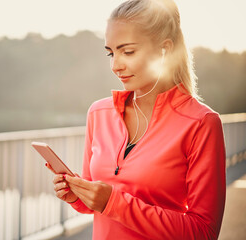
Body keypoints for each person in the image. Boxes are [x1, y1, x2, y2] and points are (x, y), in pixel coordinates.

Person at [46, 0, 226, 239]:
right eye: (111, 52)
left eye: (127, 51)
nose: (115, 65)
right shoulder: (98, 114)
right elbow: (98, 201)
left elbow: (204, 232)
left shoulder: (201, 123)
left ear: (165, 49)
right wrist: (78, 195)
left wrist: (114, 203)